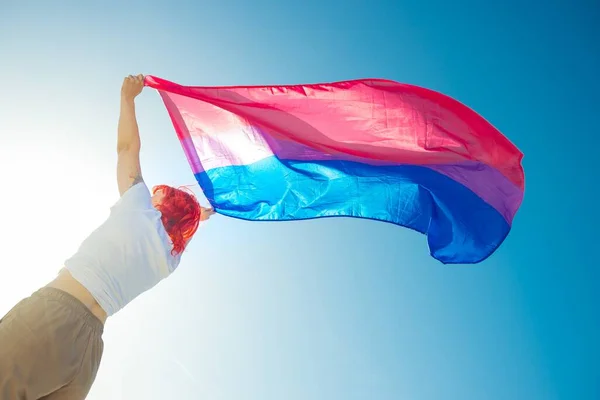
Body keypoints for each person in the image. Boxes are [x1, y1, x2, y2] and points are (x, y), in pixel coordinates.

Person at [0, 74, 215, 399]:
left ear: (161, 203)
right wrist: (203, 212)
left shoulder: (139, 205)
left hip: (50, 317)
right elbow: (188, 226)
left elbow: (127, 147)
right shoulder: (170, 259)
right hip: (87, 356)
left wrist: (127, 98)